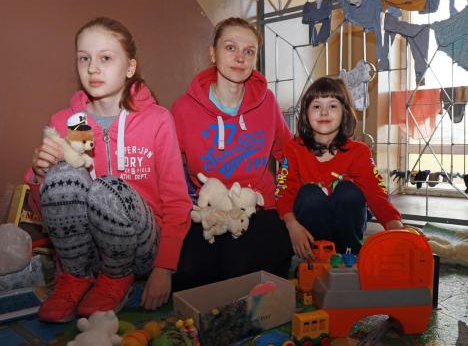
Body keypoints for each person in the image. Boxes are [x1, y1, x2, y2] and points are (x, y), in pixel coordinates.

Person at [25, 17, 192, 322]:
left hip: (140, 249)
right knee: (63, 175)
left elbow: (178, 201)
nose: (92, 68)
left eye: (105, 58)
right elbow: (48, 210)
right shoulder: (68, 121)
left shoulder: (157, 119)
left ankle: (117, 280)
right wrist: (40, 174)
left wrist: (163, 268)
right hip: (86, 255)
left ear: (130, 67)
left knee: (106, 187)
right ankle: (74, 280)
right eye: (84, 58)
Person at [171, 17, 293, 290]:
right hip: (210, 211)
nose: (240, 58)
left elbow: (288, 156)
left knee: (241, 271)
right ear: (212, 53)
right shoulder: (183, 109)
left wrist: (288, 204)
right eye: (230, 48)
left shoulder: (267, 102)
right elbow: (167, 168)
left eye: (249, 52)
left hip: (257, 207)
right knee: (186, 276)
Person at [275, 77, 403, 260]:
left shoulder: (359, 152)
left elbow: (376, 191)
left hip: (347, 228)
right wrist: (292, 225)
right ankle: (317, 257)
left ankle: (350, 253)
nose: (324, 112)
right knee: (309, 193)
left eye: (332, 106)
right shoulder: (293, 149)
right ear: (305, 114)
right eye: (316, 106)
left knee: (348, 190)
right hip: (311, 227)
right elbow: (283, 192)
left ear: (345, 112)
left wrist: (394, 224)